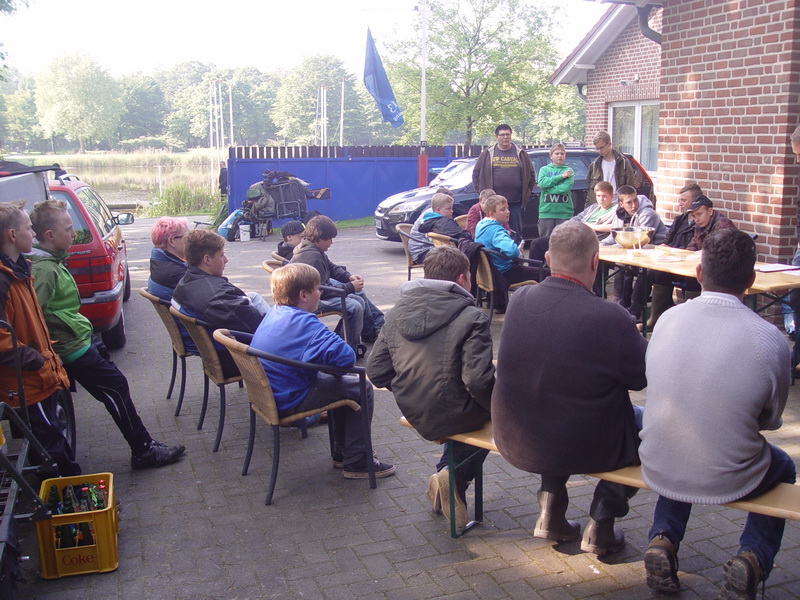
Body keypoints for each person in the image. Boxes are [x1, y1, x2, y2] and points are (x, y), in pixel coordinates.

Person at [640, 228, 795, 599]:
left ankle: (662, 538)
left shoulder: (667, 320)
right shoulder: (769, 339)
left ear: (699, 273)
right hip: (727, 473)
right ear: (751, 280)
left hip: (658, 460)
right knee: (784, 466)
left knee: (683, 440)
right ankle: (753, 557)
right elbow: (771, 420)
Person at [492, 221, 647, 556]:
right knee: (650, 424)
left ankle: (550, 512)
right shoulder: (612, 317)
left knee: (557, 398)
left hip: (516, 437)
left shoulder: (519, 299)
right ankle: (602, 521)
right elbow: (641, 378)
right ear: (595, 262)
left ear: (548, 259)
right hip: (584, 443)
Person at [28, 200, 186, 470]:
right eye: (69, 229)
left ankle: (145, 444)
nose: (74, 234)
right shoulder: (43, 270)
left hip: (80, 339)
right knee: (115, 389)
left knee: (117, 386)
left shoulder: (52, 261)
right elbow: (34, 318)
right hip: (71, 347)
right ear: (50, 235)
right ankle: (143, 451)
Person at [367, 247, 494, 530]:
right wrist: (498, 407)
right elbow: (477, 381)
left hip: (414, 407)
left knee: (460, 409)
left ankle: (446, 476)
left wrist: (410, 387)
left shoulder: (395, 312)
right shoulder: (473, 316)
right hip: (457, 409)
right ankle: (455, 476)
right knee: (494, 416)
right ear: (461, 279)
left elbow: (375, 371)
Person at [251, 263, 395, 479]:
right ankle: (357, 461)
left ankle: (342, 453)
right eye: (317, 289)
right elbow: (347, 357)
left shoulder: (275, 312)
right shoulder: (305, 324)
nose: (320, 293)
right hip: (290, 397)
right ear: (303, 295)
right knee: (361, 386)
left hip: (273, 391)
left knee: (341, 382)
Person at [0, 201, 80, 476]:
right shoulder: (3, 281)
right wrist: (35, 359)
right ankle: (73, 493)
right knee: (54, 449)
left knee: (48, 442)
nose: (33, 234)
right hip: (25, 383)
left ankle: (58, 490)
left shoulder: (20, 269)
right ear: (13, 235)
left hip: (39, 376)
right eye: (28, 228)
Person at [291, 215, 382, 348]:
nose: (331, 242)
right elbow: (322, 291)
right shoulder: (312, 256)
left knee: (358, 297)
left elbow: (332, 267)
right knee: (354, 306)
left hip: (314, 292)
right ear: (319, 237)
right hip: (308, 300)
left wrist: (348, 277)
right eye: (329, 238)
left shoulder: (313, 247)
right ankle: (346, 347)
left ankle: (366, 333)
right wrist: (350, 287)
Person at [606, 185, 668, 319]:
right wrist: (601, 244)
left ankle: (634, 310)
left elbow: (639, 239)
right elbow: (614, 236)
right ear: (621, 204)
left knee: (644, 271)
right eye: (629, 202)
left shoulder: (647, 214)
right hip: (635, 253)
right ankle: (618, 304)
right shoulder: (620, 214)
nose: (634, 205)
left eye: (635, 200)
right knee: (619, 265)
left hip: (655, 252)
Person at [645, 182, 702, 328]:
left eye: (683, 200)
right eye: (680, 200)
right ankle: (654, 319)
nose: (680, 204)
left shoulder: (702, 222)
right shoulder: (680, 220)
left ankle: (689, 324)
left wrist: (677, 253)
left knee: (692, 277)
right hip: (672, 262)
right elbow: (667, 240)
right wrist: (664, 247)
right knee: (653, 272)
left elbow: (696, 248)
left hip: (690, 265)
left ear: (695, 201)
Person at [471, 124, 536, 237]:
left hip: (516, 203)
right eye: (502, 135)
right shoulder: (487, 153)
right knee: (494, 233)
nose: (505, 137)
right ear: (497, 137)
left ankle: (516, 248)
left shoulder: (520, 153)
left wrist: (527, 192)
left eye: (507, 134)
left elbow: (531, 174)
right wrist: (482, 193)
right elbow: (476, 174)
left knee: (515, 234)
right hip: (494, 205)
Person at [475, 195, 541, 289]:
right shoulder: (496, 231)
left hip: (491, 271)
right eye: (503, 209)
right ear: (492, 214)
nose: (508, 212)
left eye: (507, 208)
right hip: (504, 273)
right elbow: (512, 252)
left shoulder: (481, 224)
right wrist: (518, 251)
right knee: (546, 273)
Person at [407, 193, 471, 265]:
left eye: (452, 208)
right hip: (422, 253)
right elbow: (434, 240)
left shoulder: (432, 216)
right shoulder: (439, 221)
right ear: (438, 209)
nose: (452, 211)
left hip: (422, 251)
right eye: (449, 208)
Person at [586, 131, 639, 204]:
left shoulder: (623, 162)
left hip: (617, 202)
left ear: (609, 144)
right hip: (600, 204)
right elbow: (589, 190)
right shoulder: (595, 165)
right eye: (597, 148)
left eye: (601, 147)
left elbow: (630, 186)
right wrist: (588, 206)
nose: (600, 151)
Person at [537, 143, 574, 238]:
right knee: (545, 242)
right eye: (557, 153)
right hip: (546, 213)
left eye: (562, 153)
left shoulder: (569, 171)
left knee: (565, 242)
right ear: (551, 156)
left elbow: (564, 189)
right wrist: (561, 176)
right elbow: (542, 183)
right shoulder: (544, 170)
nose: (559, 156)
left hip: (564, 214)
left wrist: (547, 188)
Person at [148, 216, 190, 301]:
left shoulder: (159, 262)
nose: (190, 241)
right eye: (186, 237)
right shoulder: (177, 273)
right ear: (171, 241)